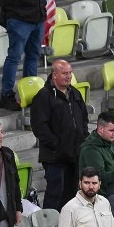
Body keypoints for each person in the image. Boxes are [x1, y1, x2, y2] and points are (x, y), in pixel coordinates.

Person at [0, 0, 54, 111]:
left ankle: (31, 90)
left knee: (33, 55)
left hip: (37, 15)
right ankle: (6, 95)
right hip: (19, 17)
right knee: (14, 56)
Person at [30, 60, 89, 210]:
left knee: (72, 193)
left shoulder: (75, 93)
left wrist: (83, 138)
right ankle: (49, 226)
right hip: (54, 156)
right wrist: (57, 144)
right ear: (54, 75)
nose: (68, 76)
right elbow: (39, 127)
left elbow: (83, 117)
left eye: (70, 73)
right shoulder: (43, 96)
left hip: (75, 153)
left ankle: (67, 223)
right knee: (55, 192)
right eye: (64, 73)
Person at [79, 111, 114, 196]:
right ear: (101, 129)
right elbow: (99, 177)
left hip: (112, 192)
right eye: (111, 130)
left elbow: (112, 168)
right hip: (98, 197)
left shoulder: (108, 142)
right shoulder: (91, 150)